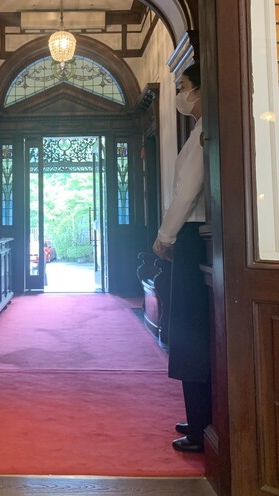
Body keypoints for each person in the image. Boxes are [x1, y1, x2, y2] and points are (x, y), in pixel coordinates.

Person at [152, 61, 211, 454]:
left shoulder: (205, 131)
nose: (180, 94)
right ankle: (199, 417)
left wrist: (164, 236)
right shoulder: (199, 131)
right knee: (192, 329)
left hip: (191, 237)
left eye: (184, 85)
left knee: (190, 332)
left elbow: (186, 194)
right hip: (194, 237)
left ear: (201, 89)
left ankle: (201, 425)